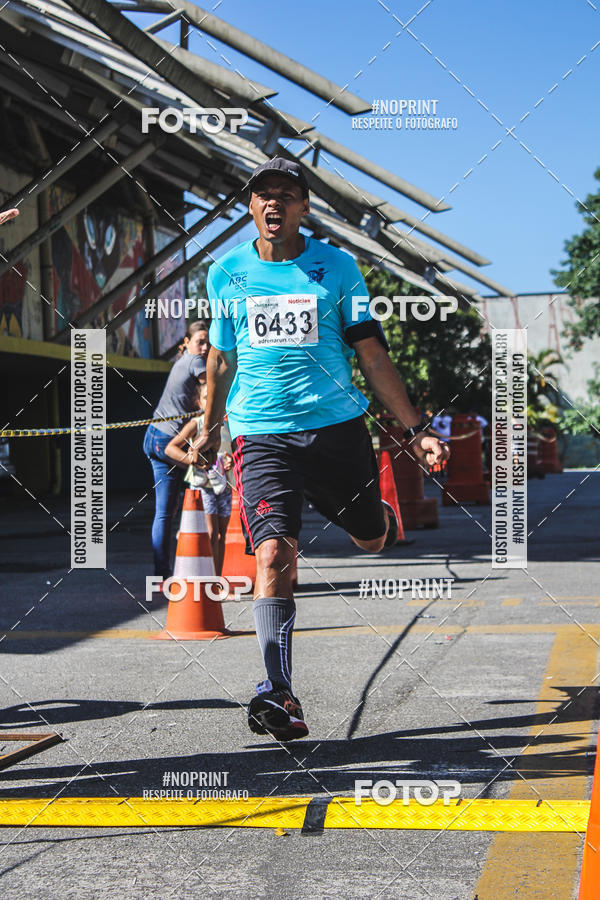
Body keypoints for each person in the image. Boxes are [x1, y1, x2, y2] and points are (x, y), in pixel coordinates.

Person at [193, 157, 449, 741]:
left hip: (336, 431)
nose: (274, 204)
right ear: (250, 206)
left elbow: (371, 352)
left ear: (305, 208)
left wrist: (414, 431)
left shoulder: (337, 268)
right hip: (261, 435)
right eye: (263, 195)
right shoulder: (226, 272)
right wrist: (209, 426)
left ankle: (376, 518)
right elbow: (222, 358)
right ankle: (278, 691)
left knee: (371, 539)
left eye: (286, 195)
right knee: (271, 557)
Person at [142, 321, 209, 578]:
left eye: (207, 342)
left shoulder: (182, 361)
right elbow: (212, 392)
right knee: (206, 473)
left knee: (164, 512)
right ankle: (193, 560)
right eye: (199, 341)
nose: (203, 347)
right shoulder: (195, 362)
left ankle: (162, 574)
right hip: (165, 441)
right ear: (186, 342)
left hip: (153, 435)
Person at [164, 381, 233, 575]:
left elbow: (237, 451)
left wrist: (231, 462)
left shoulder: (229, 424)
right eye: (206, 398)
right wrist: (192, 460)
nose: (211, 403)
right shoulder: (197, 424)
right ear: (199, 403)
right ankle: (209, 580)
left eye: (216, 399)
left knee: (221, 535)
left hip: (225, 485)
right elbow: (171, 448)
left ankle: (217, 581)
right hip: (203, 485)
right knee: (211, 534)